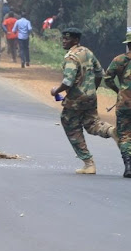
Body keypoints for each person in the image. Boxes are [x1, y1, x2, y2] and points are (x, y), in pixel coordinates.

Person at [51, 27, 119, 174]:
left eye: (67, 39)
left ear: (75, 40)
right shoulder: (87, 52)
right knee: (92, 123)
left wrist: (55, 90)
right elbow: (100, 73)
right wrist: (92, 89)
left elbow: (67, 82)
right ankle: (111, 130)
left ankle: (88, 163)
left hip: (75, 99)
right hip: (90, 97)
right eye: (63, 38)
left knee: (70, 125)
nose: (64, 41)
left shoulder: (71, 57)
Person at [103, 32, 131, 178]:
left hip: (124, 104)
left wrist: (118, 90)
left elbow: (107, 78)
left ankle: (128, 165)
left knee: (125, 135)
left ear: (127, 44)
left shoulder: (119, 60)